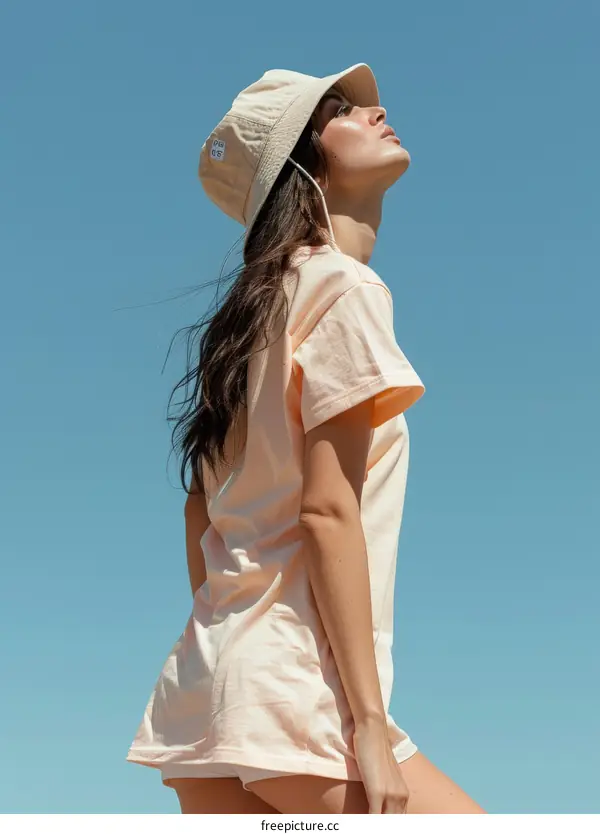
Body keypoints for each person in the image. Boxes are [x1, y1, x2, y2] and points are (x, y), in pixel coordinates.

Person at [126, 63, 485, 815]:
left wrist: (237, 650)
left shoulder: (248, 319)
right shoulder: (345, 290)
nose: (377, 109)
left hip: (212, 691)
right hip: (298, 697)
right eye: (341, 111)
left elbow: (200, 515)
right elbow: (328, 512)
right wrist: (369, 727)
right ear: (305, 162)